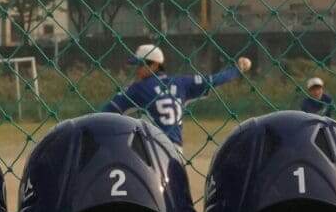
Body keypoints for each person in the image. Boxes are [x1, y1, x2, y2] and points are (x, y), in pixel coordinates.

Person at [99, 44, 252, 146]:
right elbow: (215, 79)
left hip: (151, 151)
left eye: (141, 64)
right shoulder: (182, 83)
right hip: (175, 152)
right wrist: (237, 70)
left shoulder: (138, 88)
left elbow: (107, 111)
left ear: (155, 65)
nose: (137, 69)